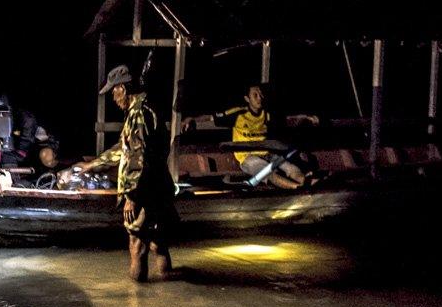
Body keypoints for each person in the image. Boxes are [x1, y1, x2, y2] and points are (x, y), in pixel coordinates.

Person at [61, 64, 178, 282]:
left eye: (114, 92)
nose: (113, 98)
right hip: (160, 188)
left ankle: (135, 303)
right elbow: (124, 148)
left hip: (144, 192)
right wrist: (93, 164)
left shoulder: (138, 115)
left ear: (122, 89)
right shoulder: (146, 109)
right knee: (158, 242)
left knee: (137, 245)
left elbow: (138, 157)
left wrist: (131, 197)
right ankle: (169, 283)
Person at [181, 83, 319, 189]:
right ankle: (299, 188)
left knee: (291, 168)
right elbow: (212, 117)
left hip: (267, 153)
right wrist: (191, 119)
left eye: (260, 94)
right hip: (247, 157)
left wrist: (306, 118)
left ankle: (309, 182)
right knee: (267, 173)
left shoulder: (267, 114)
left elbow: (288, 119)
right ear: (247, 99)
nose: (260, 98)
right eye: (255, 95)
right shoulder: (239, 114)